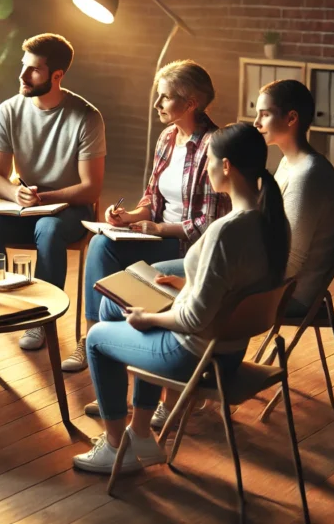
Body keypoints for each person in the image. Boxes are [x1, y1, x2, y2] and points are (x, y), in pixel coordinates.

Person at [72, 122, 290, 476]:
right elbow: (233, 284)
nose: (205, 167)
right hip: (229, 351)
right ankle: (140, 433)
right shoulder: (269, 221)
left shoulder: (226, 231)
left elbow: (191, 320)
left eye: (209, 161)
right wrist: (187, 283)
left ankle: (116, 447)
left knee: (97, 338)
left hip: (192, 355)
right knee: (136, 302)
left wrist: (149, 319)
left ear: (227, 166)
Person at [68, 60, 230, 373]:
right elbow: (152, 198)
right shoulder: (167, 138)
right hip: (156, 234)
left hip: (186, 248)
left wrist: (158, 228)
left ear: (191, 103)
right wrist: (128, 217)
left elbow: (207, 225)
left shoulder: (214, 145)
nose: (157, 103)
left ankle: (121, 339)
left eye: (165, 97)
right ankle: (92, 338)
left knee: (137, 268)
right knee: (101, 244)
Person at [0, 33, 106, 351]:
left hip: (70, 206)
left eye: (33, 69)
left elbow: (91, 189)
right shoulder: (8, 111)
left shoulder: (86, 117)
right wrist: (14, 194)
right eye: (23, 67)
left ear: (56, 76)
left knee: (48, 229)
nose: (22, 76)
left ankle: (39, 319)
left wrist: (44, 198)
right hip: (24, 203)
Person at [254, 79, 334, 316]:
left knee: (193, 286)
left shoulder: (308, 176)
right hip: (273, 280)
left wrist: (235, 274)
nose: (256, 123)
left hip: (289, 294)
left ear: (291, 118)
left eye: (264, 115)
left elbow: (290, 265)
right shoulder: (289, 162)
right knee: (175, 274)